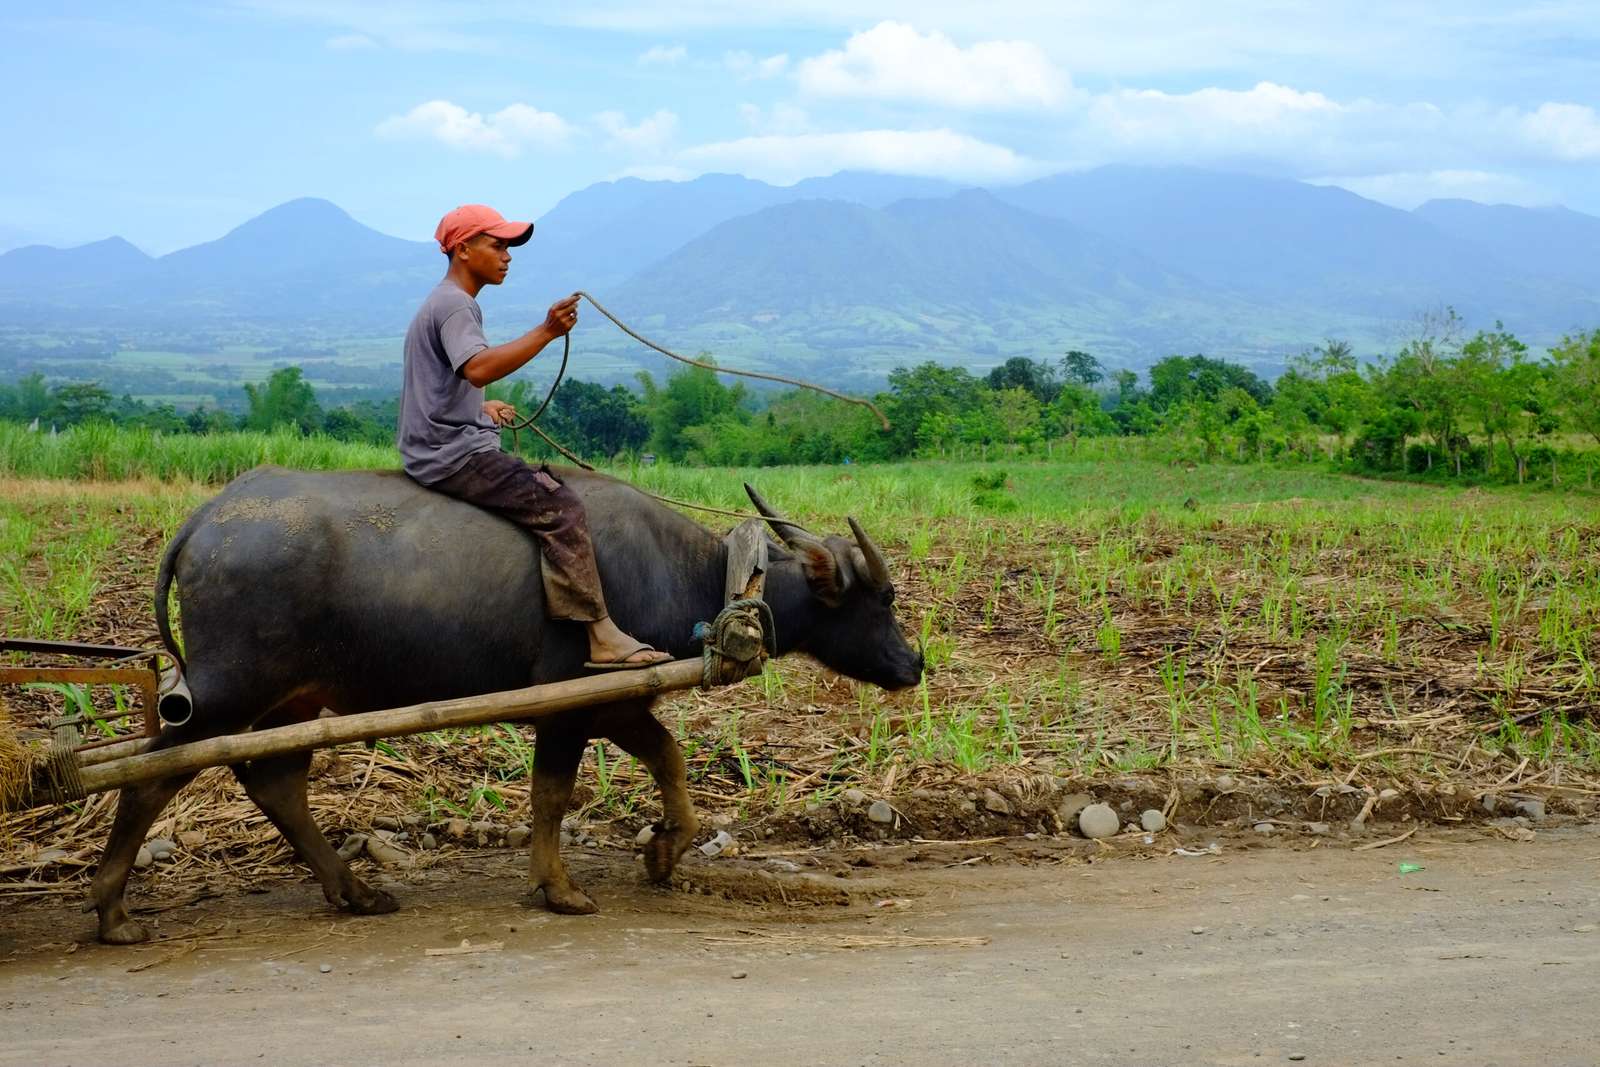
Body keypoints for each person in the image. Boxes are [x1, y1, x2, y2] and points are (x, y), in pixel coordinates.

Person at [398, 203, 670, 670]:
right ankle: (601, 635)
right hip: (451, 455)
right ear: (463, 249)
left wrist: (478, 407)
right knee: (561, 508)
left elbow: (446, 381)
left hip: (439, 438)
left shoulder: (447, 302)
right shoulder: (455, 305)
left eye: (509, 247)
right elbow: (478, 366)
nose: (507, 255)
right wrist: (546, 332)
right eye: (497, 245)